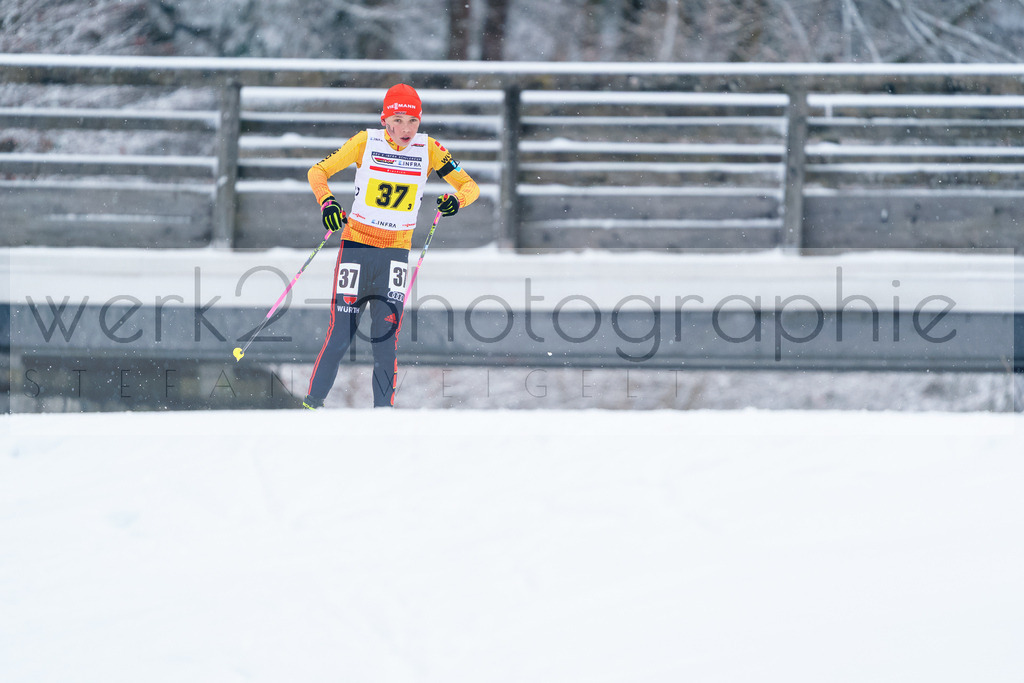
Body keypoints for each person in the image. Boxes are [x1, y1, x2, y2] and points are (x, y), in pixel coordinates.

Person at [302, 83, 479, 409]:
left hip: (395, 255)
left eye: (413, 121)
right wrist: (327, 203)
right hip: (357, 249)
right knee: (340, 336)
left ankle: (383, 417)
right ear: (385, 120)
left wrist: (457, 200)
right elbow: (318, 171)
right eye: (398, 120)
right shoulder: (364, 142)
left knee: (385, 342)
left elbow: (470, 186)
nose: (406, 129)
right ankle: (312, 406)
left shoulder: (430, 150)